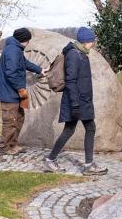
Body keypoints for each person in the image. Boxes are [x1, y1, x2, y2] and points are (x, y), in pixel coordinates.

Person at [44, 27, 108, 176]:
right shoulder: (74, 54)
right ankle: (85, 165)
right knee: (80, 129)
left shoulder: (81, 53)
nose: (94, 43)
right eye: (93, 40)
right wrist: (75, 104)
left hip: (81, 100)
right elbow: (71, 81)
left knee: (76, 129)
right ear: (88, 41)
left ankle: (54, 160)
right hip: (77, 101)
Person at [0, 28, 46, 155]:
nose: (28, 43)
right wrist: (20, 88)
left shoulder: (16, 49)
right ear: (23, 40)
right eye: (28, 40)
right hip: (9, 94)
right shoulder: (12, 51)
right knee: (10, 121)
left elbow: (24, 63)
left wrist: (39, 70)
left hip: (13, 94)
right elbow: (11, 73)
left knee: (19, 118)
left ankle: (13, 144)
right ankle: (4, 148)